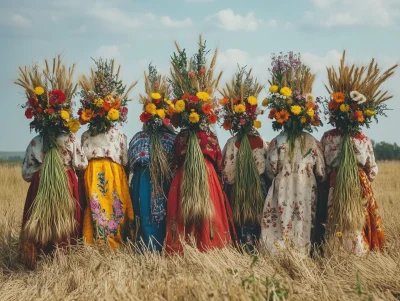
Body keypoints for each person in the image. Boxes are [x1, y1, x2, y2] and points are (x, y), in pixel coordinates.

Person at [164, 36, 235, 253]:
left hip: (185, 176)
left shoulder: (181, 136)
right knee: (208, 212)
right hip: (207, 176)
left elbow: (175, 160)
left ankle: (184, 248)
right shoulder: (209, 136)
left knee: (185, 211)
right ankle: (210, 247)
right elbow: (219, 162)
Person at [261, 52, 325, 254]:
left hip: (283, 185)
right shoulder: (312, 141)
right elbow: (321, 171)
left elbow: (270, 169)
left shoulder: (277, 141)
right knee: (304, 220)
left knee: (281, 220)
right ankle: (301, 254)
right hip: (306, 187)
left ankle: (279, 254)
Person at [78, 58, 137, 249]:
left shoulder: (86, 134)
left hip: (93, 173)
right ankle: (114, 242)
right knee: (114, 205)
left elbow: (81, 162)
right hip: (114, 172)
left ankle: (94, 241)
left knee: (95, 206)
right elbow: (125, 160)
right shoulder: (119, 134)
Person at [128, 65, 177, 252]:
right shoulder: (172, 138)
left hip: (148, 183)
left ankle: (150, 249)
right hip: (155, 183)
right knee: (152, 216)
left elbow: (130, 162)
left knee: (151, 216)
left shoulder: (139, 138)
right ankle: (158, 248)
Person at [219, 66, 269, 249]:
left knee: (242, 222)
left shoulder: (232, 143)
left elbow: (229, 175)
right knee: (259, 221)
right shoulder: (261, 141)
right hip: (259, 188)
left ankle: (243, 249)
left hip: (240, 191)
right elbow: (268, 168)